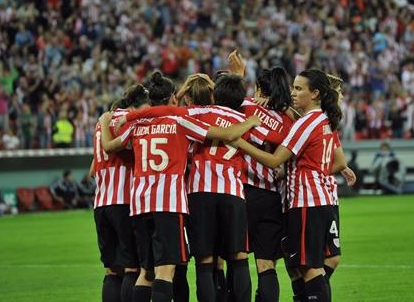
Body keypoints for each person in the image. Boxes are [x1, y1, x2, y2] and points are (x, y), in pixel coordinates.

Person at [100, 71, 261, 302]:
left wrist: (106, 121)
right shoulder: (180, 120)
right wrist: (251, 120)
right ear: (174, 98)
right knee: (167, 270)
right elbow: (227, 133)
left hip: (138, 204)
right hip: (168, 203)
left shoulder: (138, 124)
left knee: (146, 272)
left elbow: (109, 146)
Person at [234, 69, 357, 302]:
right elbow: (339, 162)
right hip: (325, 199)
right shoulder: (325, 120)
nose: (293, 93)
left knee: (307, 268)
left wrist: (239, 141)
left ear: (315, 93)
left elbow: (274, 160)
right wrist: (311, 169)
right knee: (318, 263)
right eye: (293, 87)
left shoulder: (305, 124)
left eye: (299, 89)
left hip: (304, 203)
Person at [228, 51, 295, 302]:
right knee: (266, 265)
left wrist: (237, 76)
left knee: (238, 258)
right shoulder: (288, 123)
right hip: (271, 197)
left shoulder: (245, 107)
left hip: (242, 192)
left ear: (258, 89)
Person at [92, 84, 149, 302]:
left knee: (111, 271)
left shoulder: (102, 123)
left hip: (101, 203)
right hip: (124, 203)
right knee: (131, 269)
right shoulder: (131, 119)